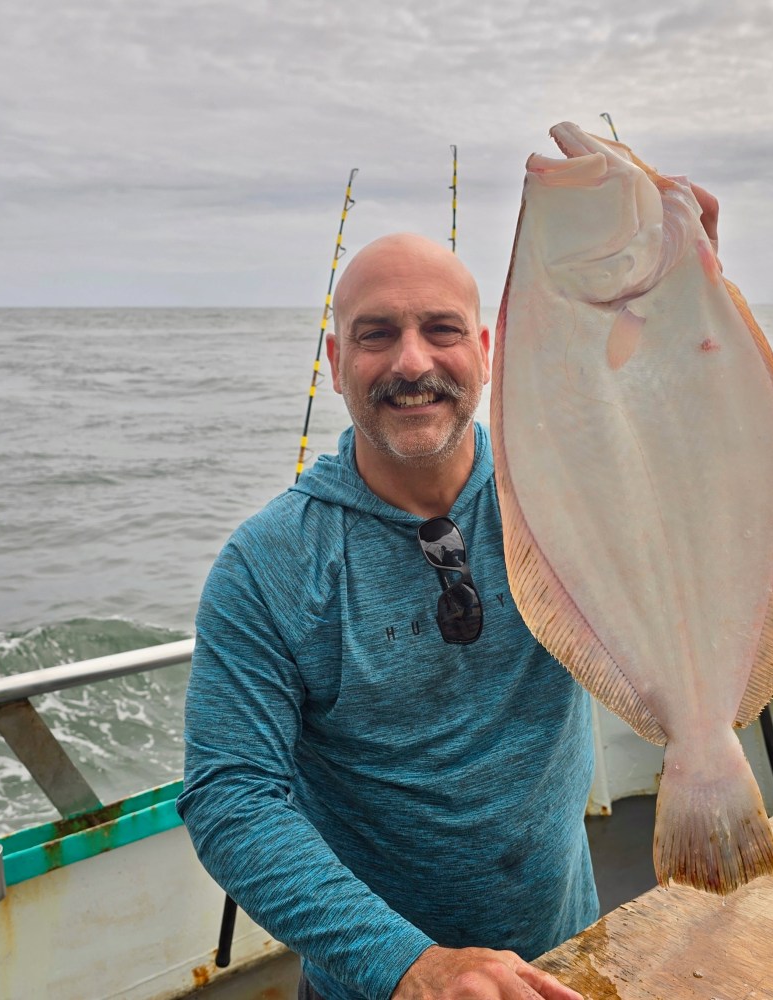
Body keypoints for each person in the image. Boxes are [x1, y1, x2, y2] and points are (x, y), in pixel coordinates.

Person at [178, 192, 718, 1000]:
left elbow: (683, 460)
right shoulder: (268, 565)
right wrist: (411, 966)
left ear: (488, 348)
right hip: (378, 982)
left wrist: (688, 300)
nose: (411, 363)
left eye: (441, 329)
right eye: (375, 334)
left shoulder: (566, 494)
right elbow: (231, 795)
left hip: (571, 958)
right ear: (333, 361)